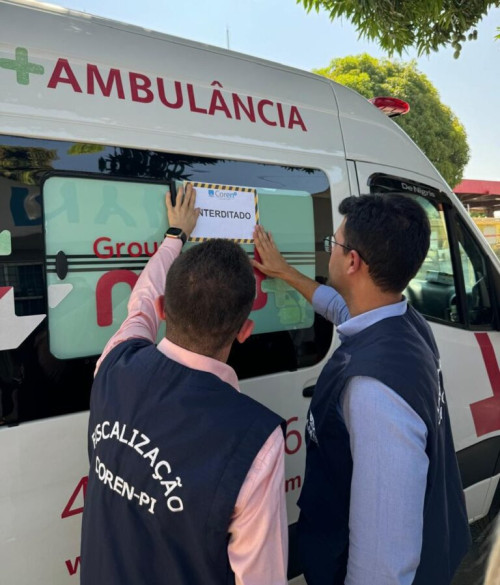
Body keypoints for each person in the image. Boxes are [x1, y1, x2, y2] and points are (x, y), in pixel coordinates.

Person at [252, 193, 471, 585]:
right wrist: (284, 272)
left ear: (352, 262)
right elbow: (340, 307)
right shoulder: (404, 320)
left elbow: (382, 568)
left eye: (333, 244)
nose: (330, 251)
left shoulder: (373, 391)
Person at [80, 184, 288, 585]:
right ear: (245, 331)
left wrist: (175, 237)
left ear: (163, 309)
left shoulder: (115, 361)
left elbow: (140, 301)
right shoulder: (257, 442)